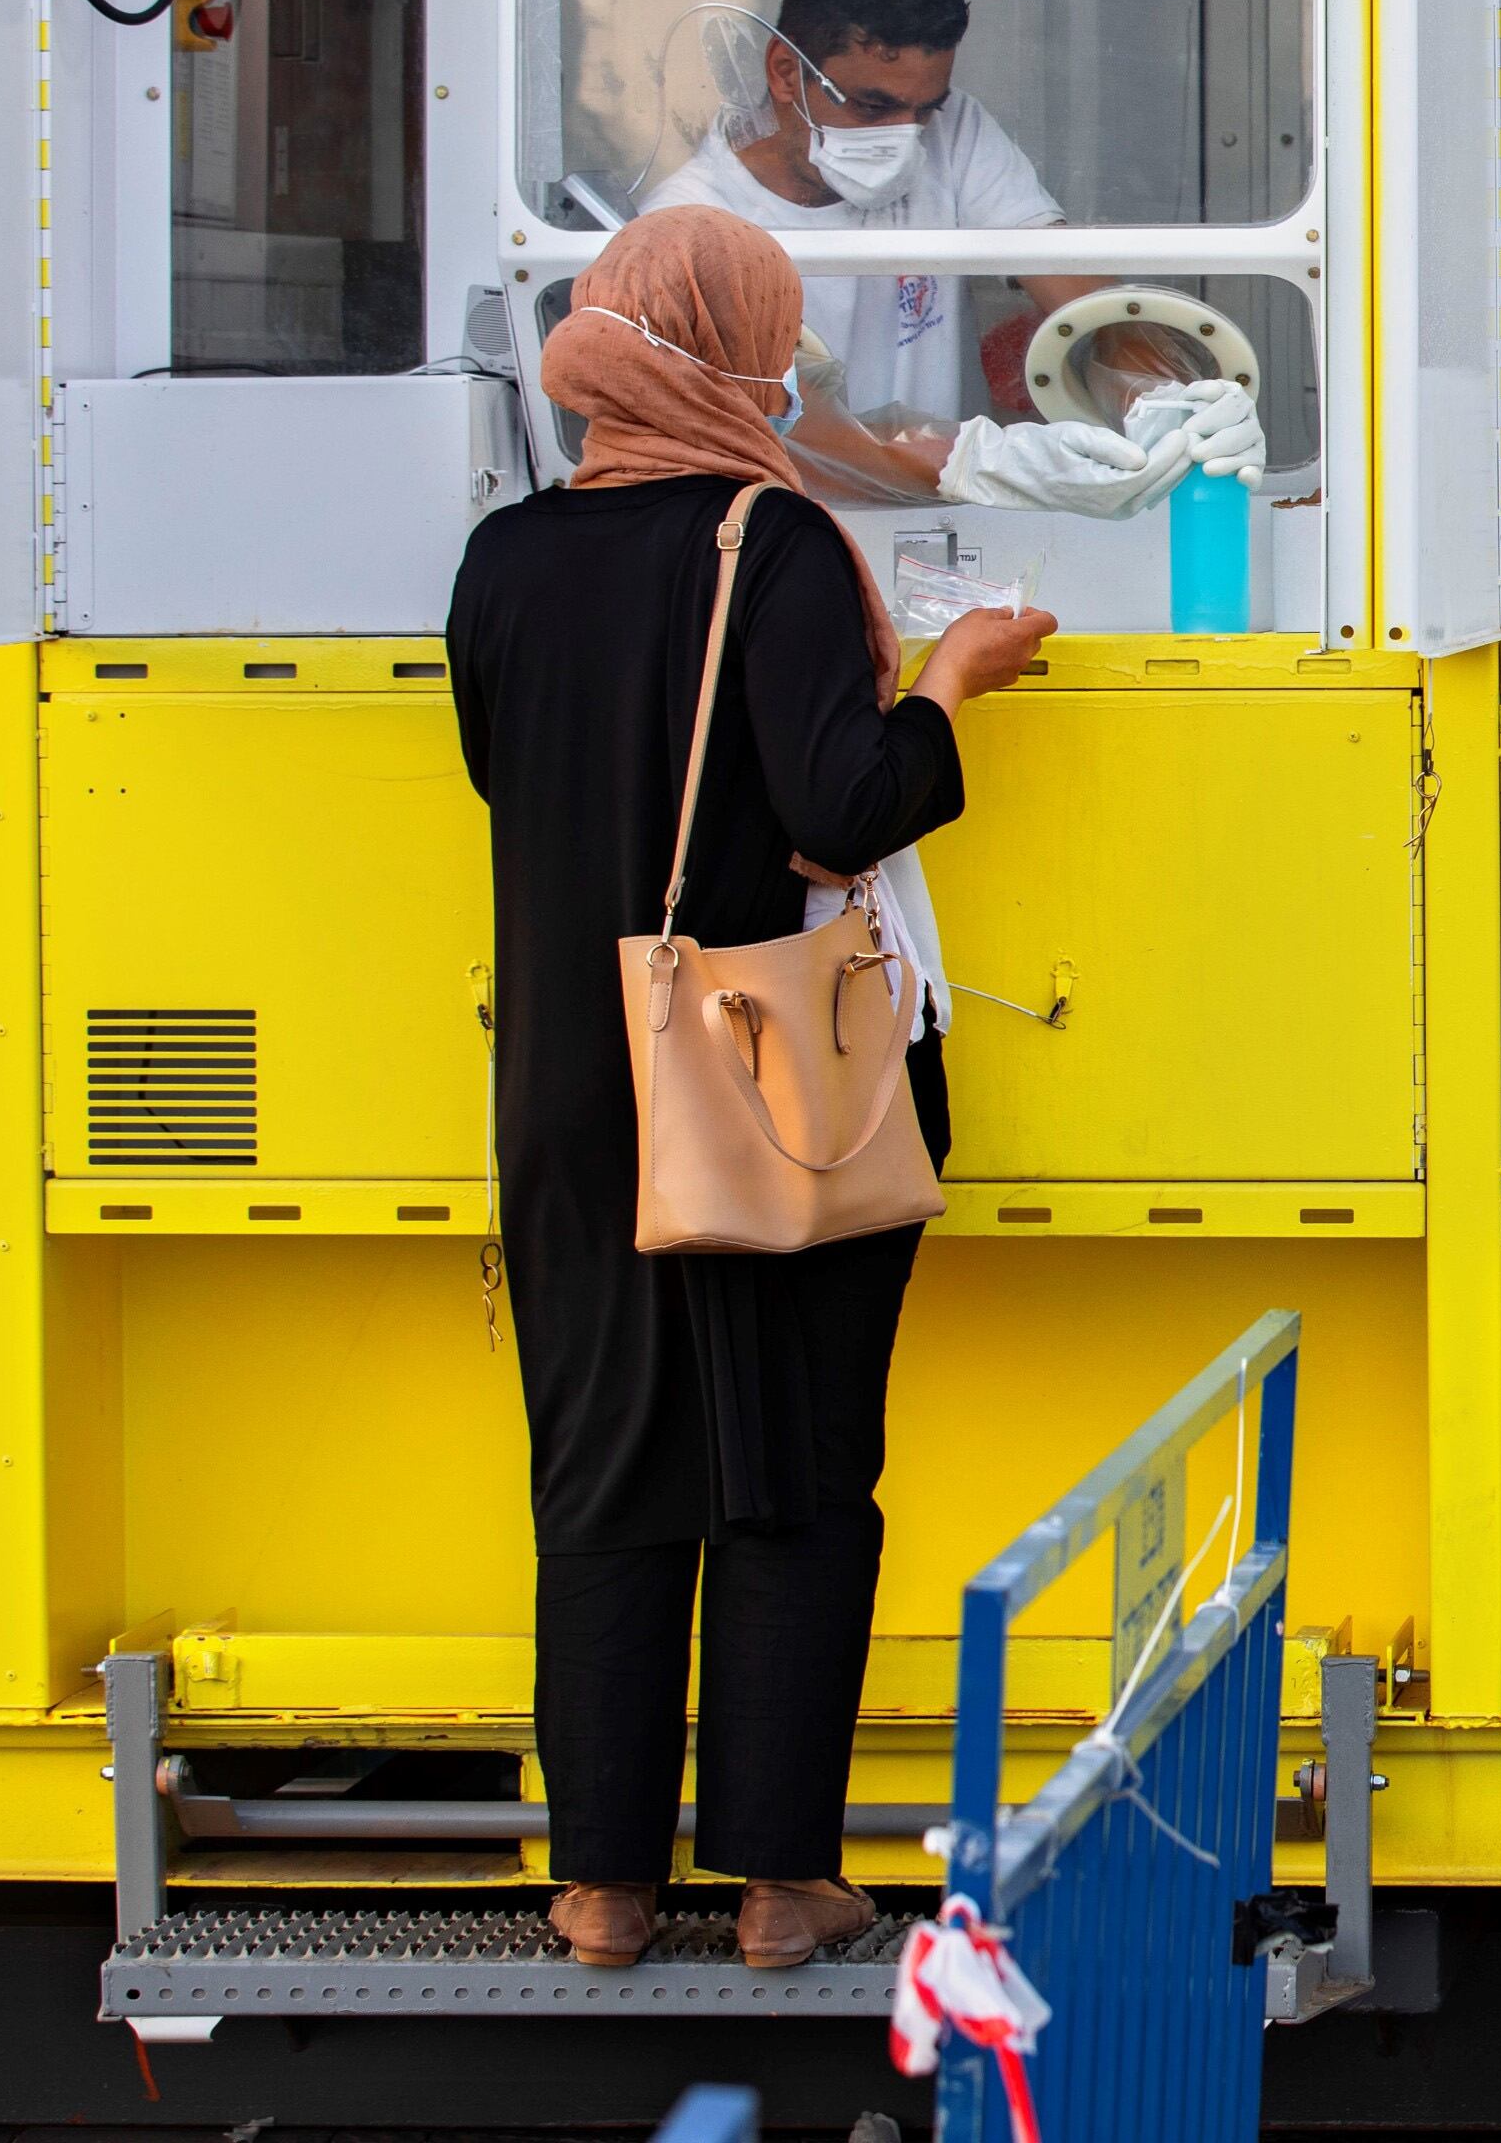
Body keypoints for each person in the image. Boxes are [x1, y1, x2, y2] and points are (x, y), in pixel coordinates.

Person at [450, 204, 1056, 1974]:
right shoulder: (767, 542)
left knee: (606, 1476)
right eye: (774, 341)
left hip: (575, 1084)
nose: (787, 373)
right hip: (771, 1078)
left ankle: (604, 1889)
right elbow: (840, 809)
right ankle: (783, 1883)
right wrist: (950, 682)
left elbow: (517, 778)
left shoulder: (502, 561)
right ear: (737, 353)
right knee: (789, 1475)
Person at [644, 0, 1259, 513]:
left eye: (922, 109)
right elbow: (785, 425)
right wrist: (986, 464)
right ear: (786, 73)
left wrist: (1164, 405)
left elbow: (1084, 305)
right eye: (872, 106)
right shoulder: (687, 222)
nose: (904, 136)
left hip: (947, 525)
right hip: (775, 539)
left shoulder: (954, 132)